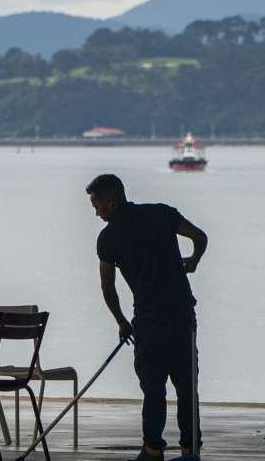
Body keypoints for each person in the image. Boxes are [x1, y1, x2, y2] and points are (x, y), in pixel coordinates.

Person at [86, 174, 208, 461]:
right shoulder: (161, 213)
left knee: (154, 388)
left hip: (150, 319)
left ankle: (153, 450)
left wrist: (121, 322)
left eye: (96, 206)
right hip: (182, 314)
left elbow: (107, 288)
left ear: (109, 200)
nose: (96, 212)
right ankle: (190, 450)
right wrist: (194, 260)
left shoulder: (109, 237)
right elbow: (200, 237)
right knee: (187, 386)